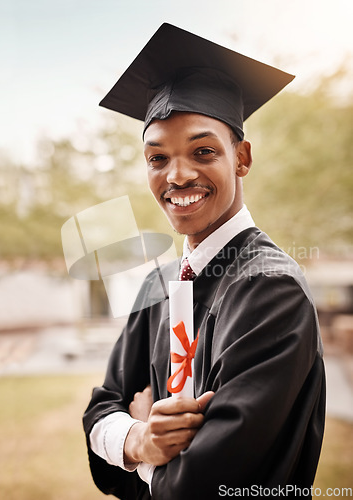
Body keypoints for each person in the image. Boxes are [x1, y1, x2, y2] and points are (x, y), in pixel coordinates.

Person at [83, 23, 325, 500]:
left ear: (242, 158)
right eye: (157, 158)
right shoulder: (161, 282)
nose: (177, 175)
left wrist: (145, 458)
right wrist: (136, 438)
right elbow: (99, 409)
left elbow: (205, 486)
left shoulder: (269, 287)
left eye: (203, 151)